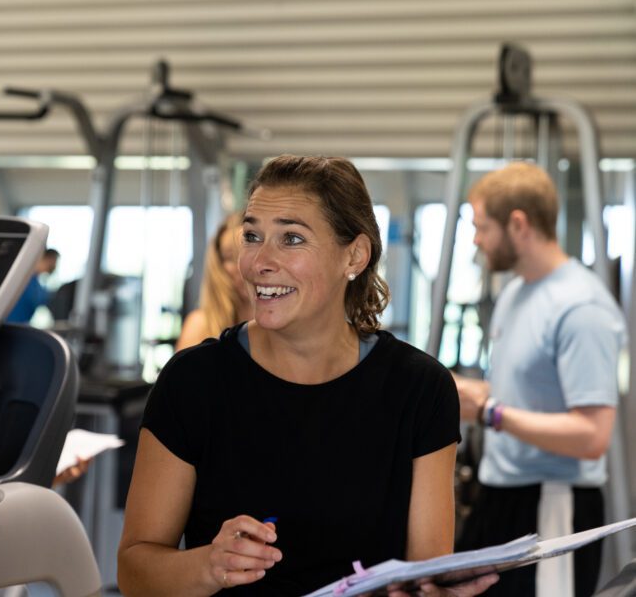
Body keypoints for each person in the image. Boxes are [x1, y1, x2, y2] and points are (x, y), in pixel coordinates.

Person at [118, 154, 498, 596]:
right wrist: (208, 564)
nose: (259, 261)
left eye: (291, 238)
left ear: (353, 255)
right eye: (252, 235)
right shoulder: (193, 382)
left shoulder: (420, 389)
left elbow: (425, 574)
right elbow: (134, 571)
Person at [453, 162, 626, 597]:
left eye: (482, 227)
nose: (476, 240)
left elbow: (591, 435)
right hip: (500, 494)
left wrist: (489, 412)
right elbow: (530, 394)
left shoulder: (581, 307)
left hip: (553, 503)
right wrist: (479, 395)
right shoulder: (515, 291)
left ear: (518, 224)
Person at [176, 214, 253, 351]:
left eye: (248, 253)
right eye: (230, 257)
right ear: (218, 264)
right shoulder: (200, 325)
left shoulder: (281, 325)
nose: (241, 267)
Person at [7, 248, 60, 324]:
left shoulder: (35, 281)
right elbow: (37, 299)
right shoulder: (25, 278)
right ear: (48, 259)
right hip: (11, 323)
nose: (54, 266)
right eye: (54, 262)